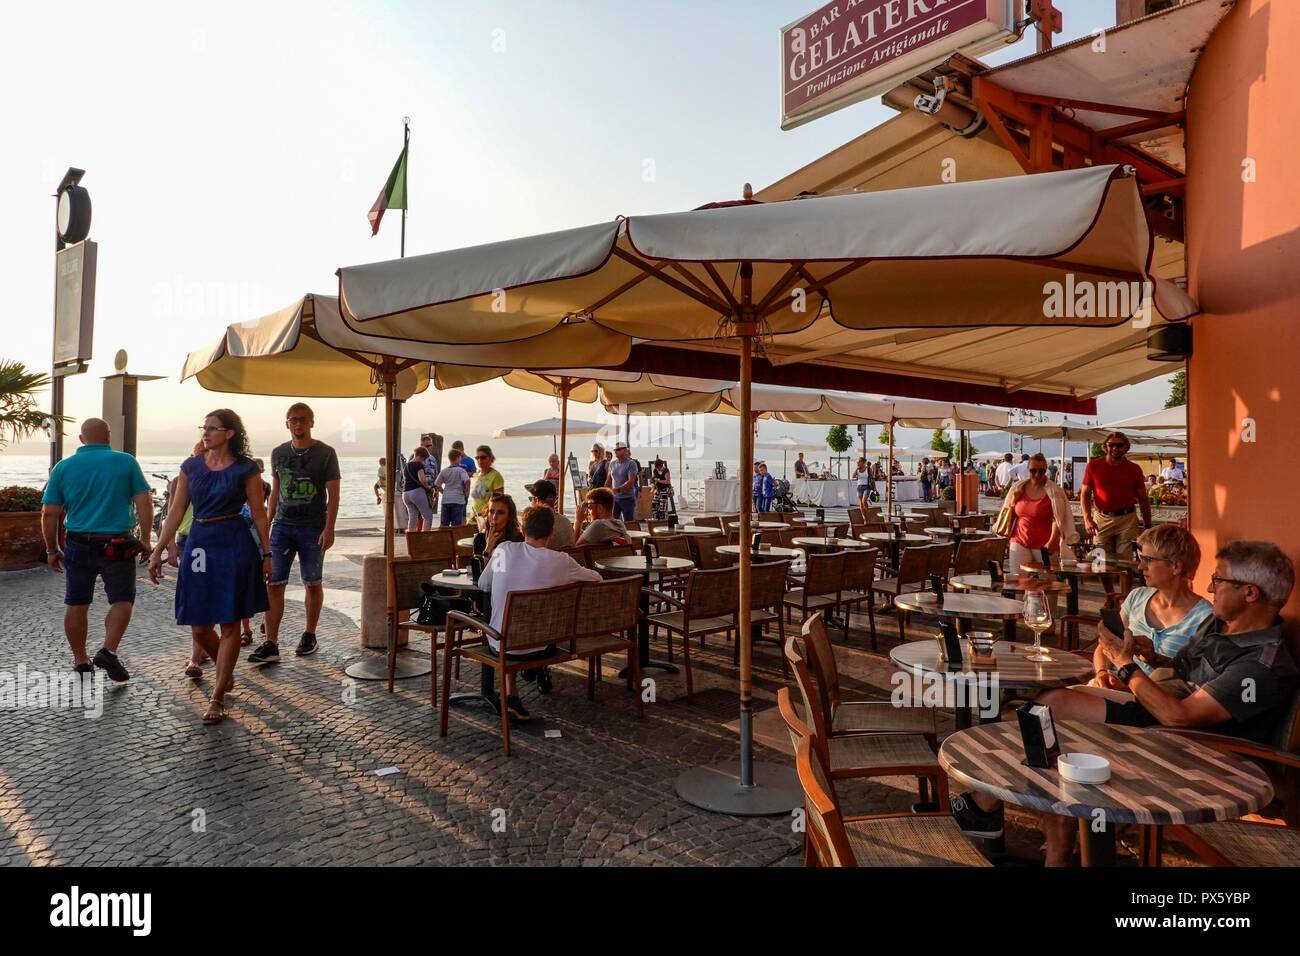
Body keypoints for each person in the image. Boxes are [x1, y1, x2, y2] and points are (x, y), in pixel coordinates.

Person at [954, 541, 1299, 866]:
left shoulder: (1259, 666)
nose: (1210, 589)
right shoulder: (1223, 625)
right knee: (1043, 710)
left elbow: (1179, 716)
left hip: (1189, 748)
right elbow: (1182, 670)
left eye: (1218, 580)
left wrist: (1126, 665)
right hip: (1159, 709)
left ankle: (1023, 832)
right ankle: (1022, 827)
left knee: (1051, 714)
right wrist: (1153, 656)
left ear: (1250, 593)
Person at [149, 409, 272, 724]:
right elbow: (176, 510)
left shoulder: (246, 469)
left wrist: (268, 553)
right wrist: (158, 548)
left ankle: (218, 697)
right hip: (200, 544)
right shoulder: (191, 467)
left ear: (230, 433)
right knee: (200, 623)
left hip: (233, 542)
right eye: (204, 427)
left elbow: (258, 512)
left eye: (213, 428)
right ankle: (223, 669)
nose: (206, 432)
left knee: (230, 622)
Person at [41, 418, 152, 682]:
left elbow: (49, 513)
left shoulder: (63, 467)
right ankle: (108, 650)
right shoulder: (125, 462)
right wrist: (146, 539)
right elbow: (144, 503)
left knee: (77, 601)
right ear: (108, 436)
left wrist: (51, 549)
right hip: (117, 542)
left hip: (78, 542)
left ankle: (80, 660)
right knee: (122, 599)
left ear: (81, 439)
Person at [478, 506, 601, 720]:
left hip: (502, 644)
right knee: (525, 625)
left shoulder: (504, 550)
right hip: (542, 645)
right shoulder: (561, 561)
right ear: (551, 534)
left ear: (523, 530)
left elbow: (483, 584)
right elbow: (597, 579)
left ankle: (511, 693)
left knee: (508, 626)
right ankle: (519, 688)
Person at [251, 402, 340, 664]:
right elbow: (275, 491)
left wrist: (329, 528)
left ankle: (309, 635)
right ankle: (271, 643)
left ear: (312, 422)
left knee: (312, 581)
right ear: (286, 423)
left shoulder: (326, 453)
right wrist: (267, 525)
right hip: (282, 526)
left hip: (313, 526)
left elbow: (333, 495)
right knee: (274, 583)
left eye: (302, 419)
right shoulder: (279, 453)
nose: (298, 424)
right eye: (293, 420)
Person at [1087, 524, 1213, 691]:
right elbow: (1105, 648)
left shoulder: (1205, 618)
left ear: (1176, 566)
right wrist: (1102, 673)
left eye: (1148, 560)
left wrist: (1127, 685)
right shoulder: (1137, 597)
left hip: (1153, 703)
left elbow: (1194, 681)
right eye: (1141, 559)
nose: (1140, 567)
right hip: (1110, 687)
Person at [994, 452, 1078, 572]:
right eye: (1033, 471)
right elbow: (1010, 512)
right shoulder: (1018, 487)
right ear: (1028, 469)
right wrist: (1014, 499)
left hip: (1044, 545)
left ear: (1046, 471)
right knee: (1019, 582)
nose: (1037, 474)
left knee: (1045, 584)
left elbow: (1058, 518)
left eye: (1041, 471)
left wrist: (1053, 541)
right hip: (1019, 540)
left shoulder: (1054, 491)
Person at [1080, 431, 1151, 559]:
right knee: (1099, 559)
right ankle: (1105, 579)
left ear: (1126, 447)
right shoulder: (1093, 466)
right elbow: (1084, 493)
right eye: (1111, 445)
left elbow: (1143, 498)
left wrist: (1148, 525)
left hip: (1127, 518)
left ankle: (1123, 579)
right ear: (1106, 446)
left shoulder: (1134, 469)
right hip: (1101, 518)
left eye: (1119, 445)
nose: (1115, 448)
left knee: (1125, 560)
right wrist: (1087, 519)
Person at [472, 493, 524, 560]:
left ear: (509, 516)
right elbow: (480, 570)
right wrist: (488, 547)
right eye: (491, 511)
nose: (494, 517)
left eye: (501, 513)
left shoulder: (519, 540)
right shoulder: (480, 539)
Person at [525, 479, 574, 549]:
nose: (531, 503)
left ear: (536, 500)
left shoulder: (537, 525)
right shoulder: (566, 521)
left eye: (531, 499)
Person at [433, 447, 471, 527]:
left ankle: (444, 538)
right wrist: (467, 492)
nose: (460, 459)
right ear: (457, 458)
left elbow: (436, 484)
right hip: (458, 500)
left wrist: (443, 492)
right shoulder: (461, 470)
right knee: (456, 524)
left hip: (446, 500)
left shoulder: (444, 471)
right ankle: (455, 539)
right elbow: (467, 481)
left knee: (444, 523)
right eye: (460, 457)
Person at [468, 445, 506, 523]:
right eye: (477, 458)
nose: (479, 460)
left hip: (486, 520)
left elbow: (498, 501)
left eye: (483, 457)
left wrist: (483, 514)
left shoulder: (496, 476)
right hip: (473, 519)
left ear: (490, 458)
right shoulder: (476, 475)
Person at [403, 447, 435, 531]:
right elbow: (422, 480)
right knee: (428, 516)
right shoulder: (419, 465)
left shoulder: (406, 466)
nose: (424, 461)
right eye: (424, 459)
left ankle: (412, 538)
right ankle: (425, 538)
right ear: (421, 456)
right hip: (416, 492)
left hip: (406, 493)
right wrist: (428, 488)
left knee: (412, 516)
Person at [609, 442, 639, 523]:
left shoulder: (631, 463)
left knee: (629, 523)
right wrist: (605, 492)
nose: (616, 451)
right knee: (612, 522)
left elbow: (630, 482)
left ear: (625, 450)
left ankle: (629, 536)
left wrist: (617, 490)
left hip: (627, 498)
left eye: (618, 449)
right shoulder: (612, 464)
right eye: (615, 450)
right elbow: (609, 480)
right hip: (615, 499)